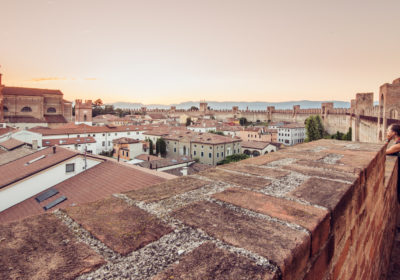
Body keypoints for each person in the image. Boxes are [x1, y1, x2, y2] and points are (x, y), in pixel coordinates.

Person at [386, 124, 400, 203]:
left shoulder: (397, 146)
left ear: (394, 133)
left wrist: (387, 140)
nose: (386, 132)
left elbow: (381, 152)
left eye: (388, 130)